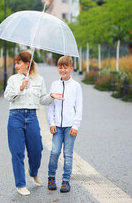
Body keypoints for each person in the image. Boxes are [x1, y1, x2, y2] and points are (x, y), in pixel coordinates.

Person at [4, 51, 64, 196]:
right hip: (15, 117)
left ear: (27, 64)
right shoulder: (13, 79)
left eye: (19, 63)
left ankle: (34, 172)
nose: (16, 66)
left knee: (37, 150)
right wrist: (20, 88)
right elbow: (7, 96)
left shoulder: (39, 80)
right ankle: (20, 184)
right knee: (17, 153)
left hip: (32, 117)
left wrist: (51, 96)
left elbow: (42, 99)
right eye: (16, 63)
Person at [47, 56, 83, 193]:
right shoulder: (54, 85)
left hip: (69, 127)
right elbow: (51, 106)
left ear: (71, 69)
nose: (63, 70)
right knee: (55, 152)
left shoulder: (76, 86)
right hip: (57, 126)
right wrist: (51, 122)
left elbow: (79, 107)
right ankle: (51, 178)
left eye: (65, 67)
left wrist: (75, 126)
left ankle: (65, 181)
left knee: (68, 154)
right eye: (60, 67)